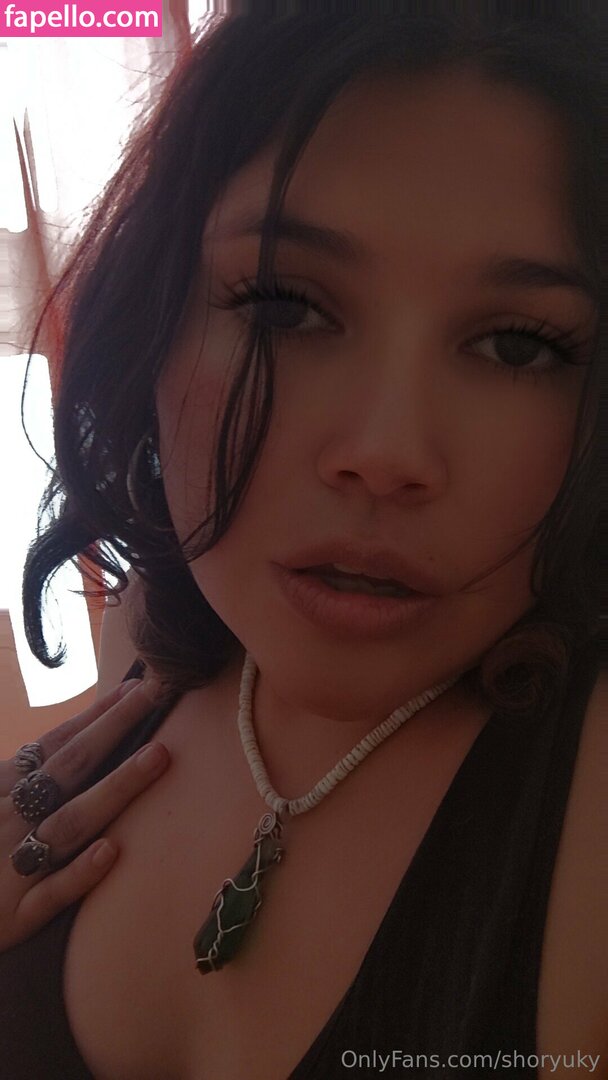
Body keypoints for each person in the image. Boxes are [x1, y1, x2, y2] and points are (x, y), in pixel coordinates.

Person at [0, 7, 605, 1079]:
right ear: (154, 319)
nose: (386, 453)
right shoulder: (161, 629)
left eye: (518, 346)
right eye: (284, 306)